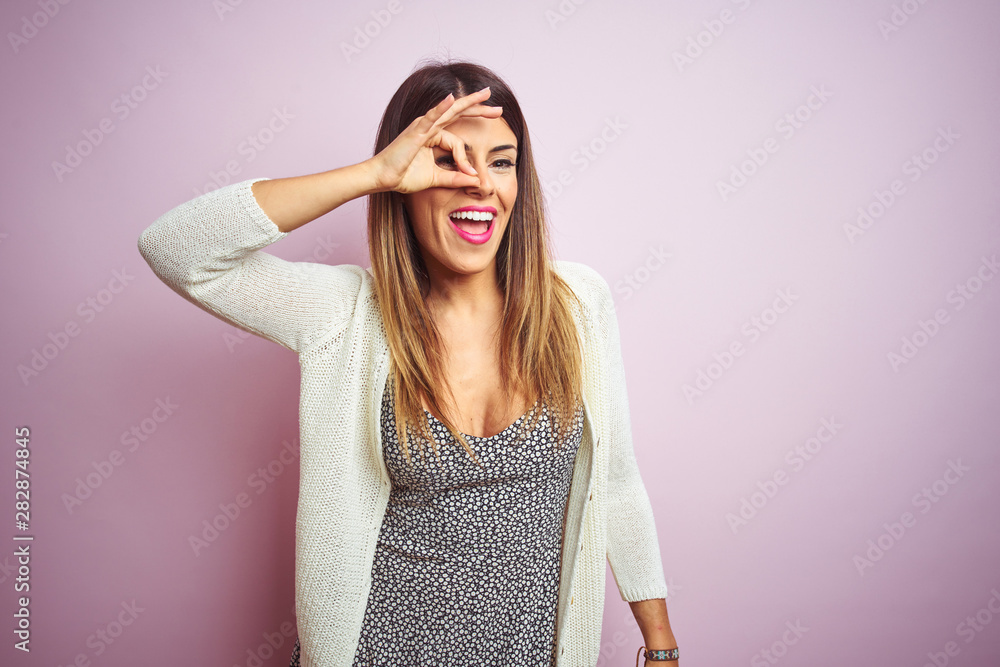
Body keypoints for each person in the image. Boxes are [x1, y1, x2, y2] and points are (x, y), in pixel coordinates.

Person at [138, 58, 679, 667]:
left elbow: (617, 482)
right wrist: (372, 174)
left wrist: (659, 643)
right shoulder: (347, 316)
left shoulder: (577, 305)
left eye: (501, 161)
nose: (480, 183)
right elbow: (175, 249)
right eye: (448, 159)